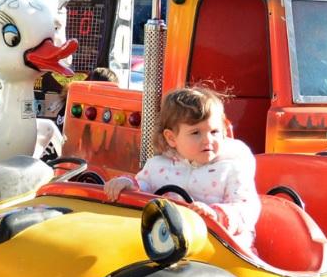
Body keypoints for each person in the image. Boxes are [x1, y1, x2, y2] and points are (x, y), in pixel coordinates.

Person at [104, 87, 260, 248]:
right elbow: (143, 189)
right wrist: (126, 184)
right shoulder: (158, 166)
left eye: (214, 131)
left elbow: (246, 209)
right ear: (171, 138)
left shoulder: (232, 169)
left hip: (221, 249)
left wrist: (216, 215)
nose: (207, 140)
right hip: (167, 246)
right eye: (195, 133)